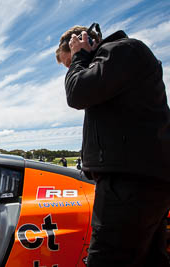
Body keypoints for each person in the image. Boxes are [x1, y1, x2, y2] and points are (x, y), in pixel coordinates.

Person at [56, 24, 170, 266]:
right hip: (141, 180)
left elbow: (77, 92)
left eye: (69, 62)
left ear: (84, 41)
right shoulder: (118, 61)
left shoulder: (122, 51)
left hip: (128, 184)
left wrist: (79, 57)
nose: (72, 68)